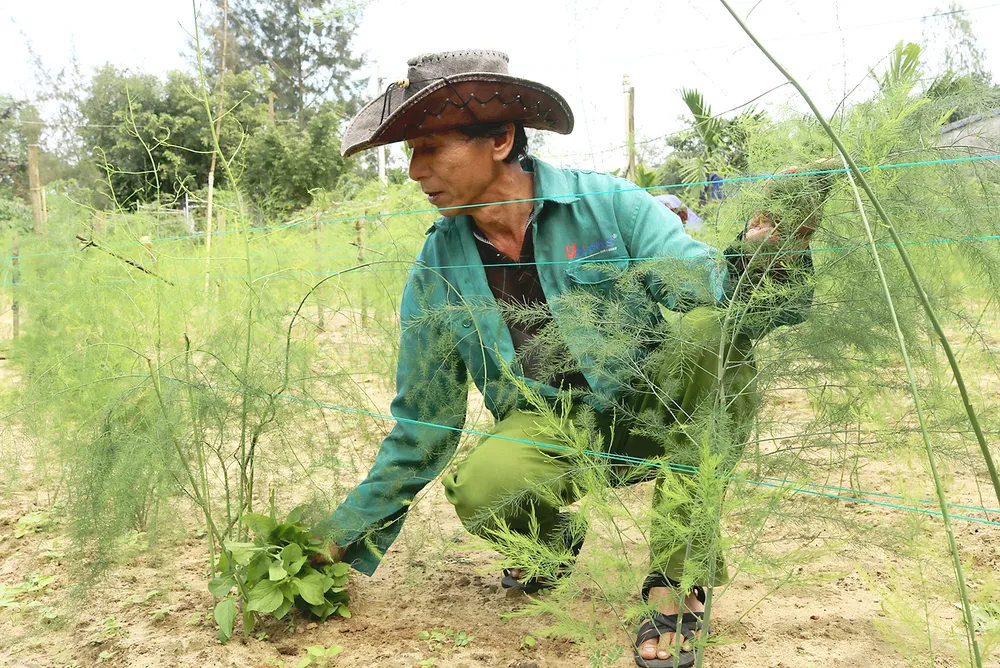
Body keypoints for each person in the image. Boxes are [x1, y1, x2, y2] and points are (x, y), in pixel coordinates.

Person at [312, 50, 816, 667]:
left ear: (499, 139)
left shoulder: (609, 205)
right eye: (411, 152)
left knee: (708, 331)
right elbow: (423, 424)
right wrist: (337, 537)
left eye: (429, 148)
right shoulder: (436, 269)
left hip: (654, 403)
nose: (416, 171)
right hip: (552, 425)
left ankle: (676, 582)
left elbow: (710, 290)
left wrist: (771, 252)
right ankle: (552, 544)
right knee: (482, 488)